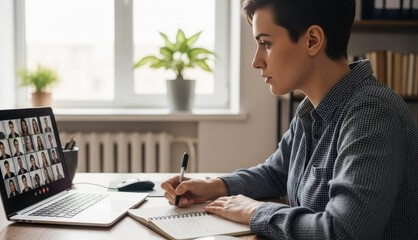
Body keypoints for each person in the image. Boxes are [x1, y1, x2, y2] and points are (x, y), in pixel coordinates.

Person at [161, 1, 418, 239]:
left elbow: (343, 231)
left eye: (266, 43)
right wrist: (215, 186)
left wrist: (254, 212)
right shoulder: (311, 109)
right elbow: (275, 173)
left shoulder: (373, 114)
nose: (256, 61)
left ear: (312, 40)